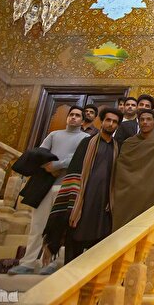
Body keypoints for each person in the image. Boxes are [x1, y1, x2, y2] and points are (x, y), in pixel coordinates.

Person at [9, 106, 89, 275]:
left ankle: (50, 263)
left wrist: (56, 165)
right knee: (37, 224)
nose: (74, 118)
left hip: (66, 186)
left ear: (83, 121)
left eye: (77, 116)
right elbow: (40, 153)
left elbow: (78, 159)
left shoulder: (86, 138)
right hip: (45, 185)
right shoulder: (54, 135)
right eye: (71, 115)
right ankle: (28, 262)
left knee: (57, 226)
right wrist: (47, 166)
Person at [42, 107, 123, 264]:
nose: (111, 124)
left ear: (117, 125)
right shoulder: (87, 142)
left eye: (114, 122)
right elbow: (74, 169)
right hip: (82, 199)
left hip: (104, 202)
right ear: (102, 122)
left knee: (99, 243)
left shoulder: (117, 147)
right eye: (108, 120)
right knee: (75, 237)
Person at [111, 109, 154, 231]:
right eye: (142, 119)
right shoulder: (128, 143)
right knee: (122, 229)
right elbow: (120, 169)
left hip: (150, 194)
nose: (145, 122)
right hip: (126, 193)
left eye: (148, 119)